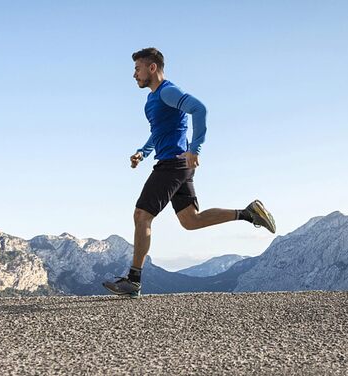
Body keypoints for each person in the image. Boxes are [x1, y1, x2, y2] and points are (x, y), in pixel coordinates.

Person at [103, 47, 275, 298]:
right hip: (175, 164)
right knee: (190, 220)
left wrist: (196, 148)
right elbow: (159, 131)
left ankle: (133, 281)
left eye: (137, 69)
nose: (134, 75)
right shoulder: (152, 99)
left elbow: (200, 108)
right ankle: (248, 213)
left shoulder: (168, 91)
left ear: (152, 68)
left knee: (142, 215)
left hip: (174, 164)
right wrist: (143, 152)